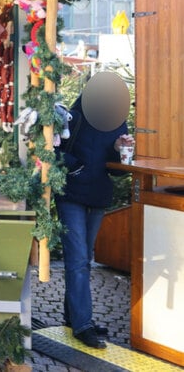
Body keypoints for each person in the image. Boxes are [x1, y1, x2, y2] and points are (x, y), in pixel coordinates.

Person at [55, 70, 133, 349]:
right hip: (71, 194)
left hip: (98, 195)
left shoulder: (116, 120)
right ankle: (83, 324)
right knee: (78, 260)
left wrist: (121, 149)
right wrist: (75, 166)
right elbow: (52, 149)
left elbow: (118, 170)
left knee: (84, 258)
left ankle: (72, 316)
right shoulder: (72, 116)